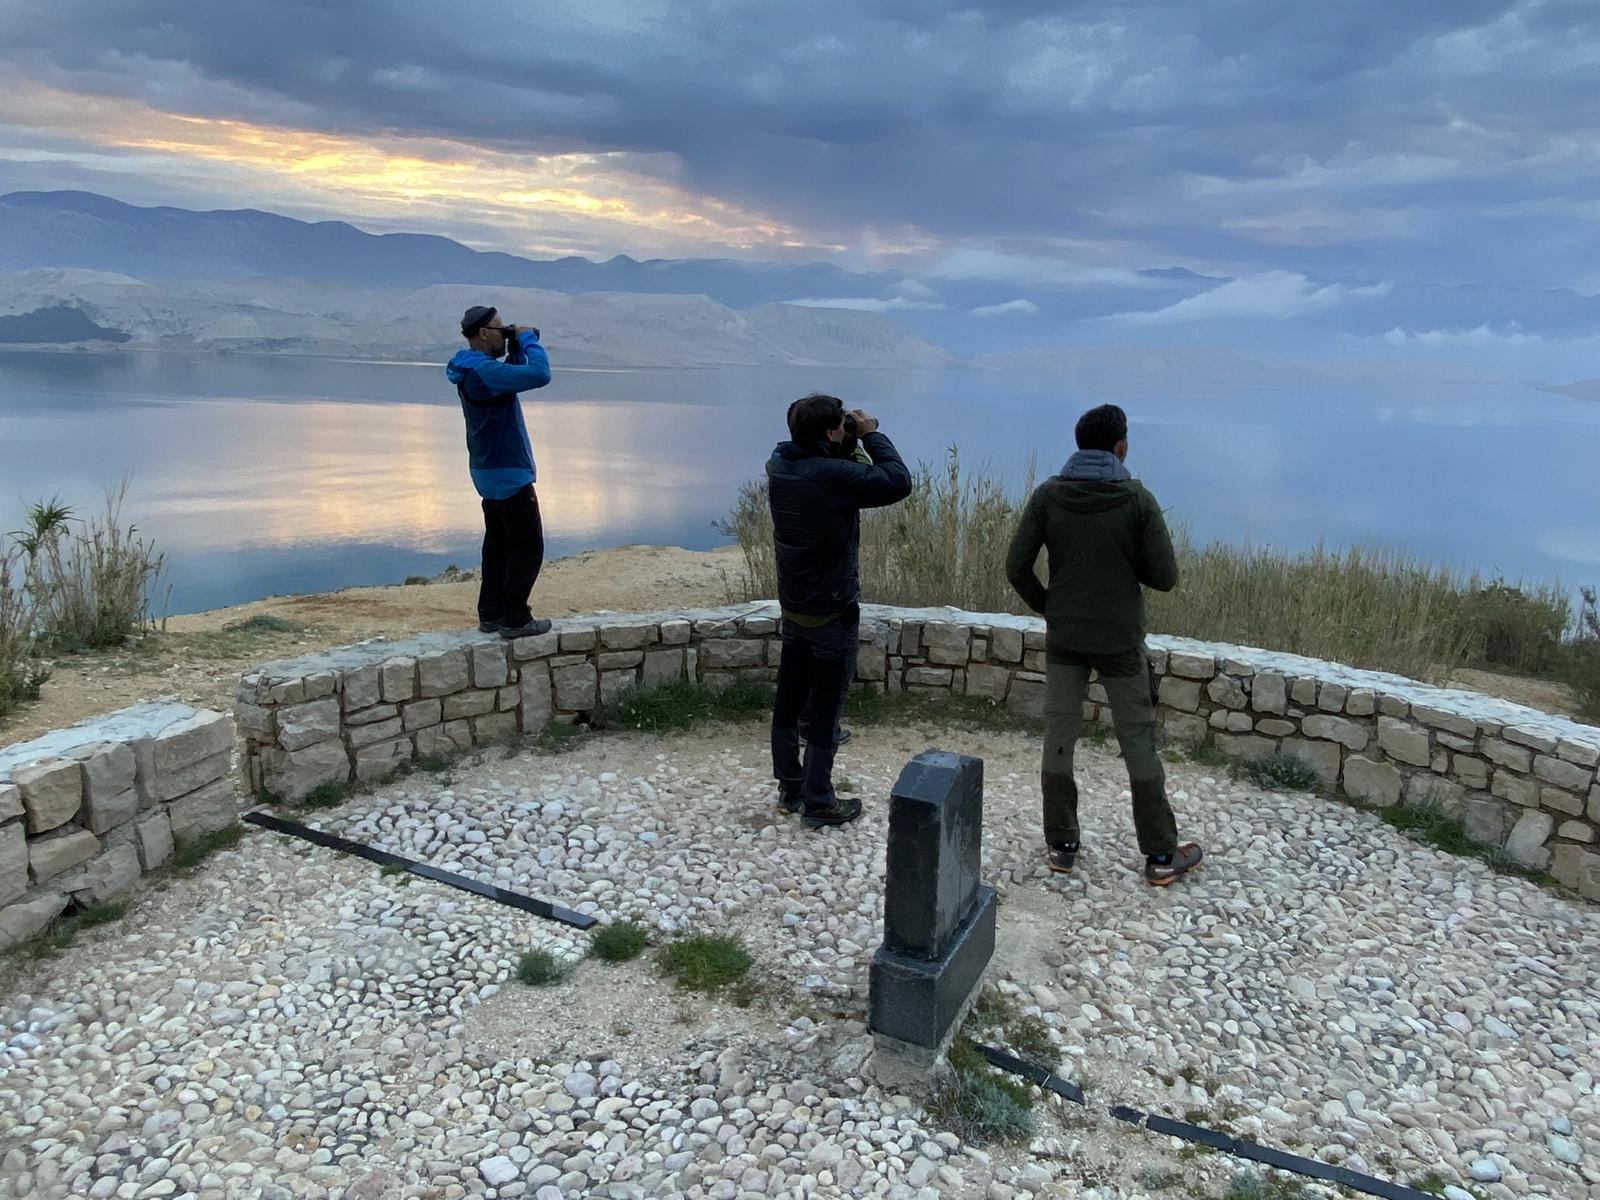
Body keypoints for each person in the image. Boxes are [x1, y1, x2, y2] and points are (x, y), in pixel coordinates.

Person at [1004, 403, 1203, 885]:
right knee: (1137, 742)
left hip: (1066, 637)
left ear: (1077, 445)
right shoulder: (1137, 499)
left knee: (1059, 738)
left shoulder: (1048, 496)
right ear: (1122, 446)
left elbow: (1016, 567)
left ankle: (1062, 847)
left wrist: (1051, 606)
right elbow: (1165, 577)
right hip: (1119, 641)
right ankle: (1159, 854)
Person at [768, 393, 912, 827]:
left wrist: (841, 441)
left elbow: (830, 466)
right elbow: (897, 481)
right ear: (831, 432)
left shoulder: (780, 464)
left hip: (794, 606)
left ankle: (790, 787)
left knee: (789, 704)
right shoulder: (831, 475)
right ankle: (820, 802)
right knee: (827, 711)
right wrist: (872, 435)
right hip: (832, 610)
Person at [445, 305, 553, 640]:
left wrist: (516, 346)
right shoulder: (485, 373)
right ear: (482, 334)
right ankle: (515, 619)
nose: (503, 331)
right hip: (508, 472)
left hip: (486, 470)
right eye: (498, 328)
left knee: (498, 545)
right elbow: (539, 374)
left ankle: (491, 613)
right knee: (528, 546)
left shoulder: (475, 370)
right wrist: (530, 340)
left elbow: (513, 376)